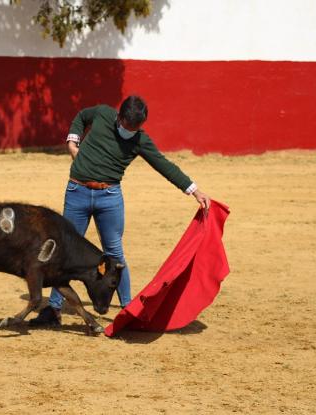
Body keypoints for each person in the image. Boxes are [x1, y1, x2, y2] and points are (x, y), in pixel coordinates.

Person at [29, 95, 211, 327]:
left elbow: (164, 165)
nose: (129, 131)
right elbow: (82, 115)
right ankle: (54, 309)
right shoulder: (103, 113)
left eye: (135, 128)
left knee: (115, 253)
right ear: (119, 117)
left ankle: (129, 309)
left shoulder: (140, 141)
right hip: (78, 192)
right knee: (64, 252)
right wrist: (72, 140)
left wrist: (194, 190)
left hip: (109, 198)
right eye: (127, 126)